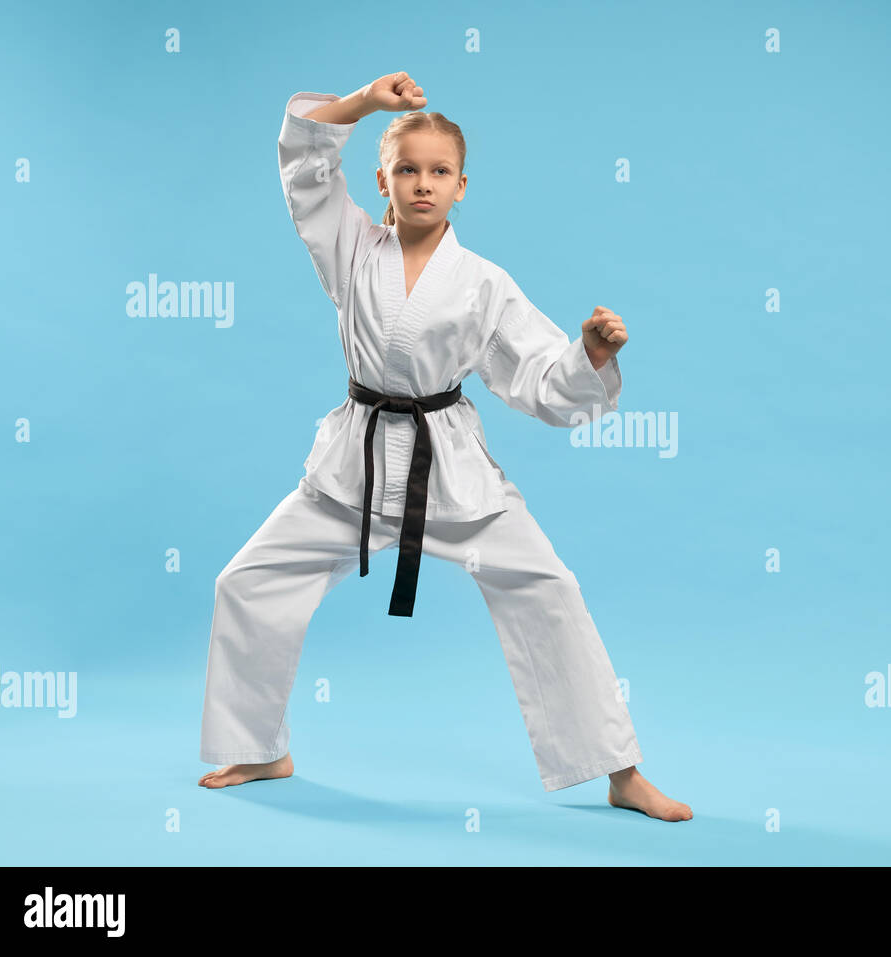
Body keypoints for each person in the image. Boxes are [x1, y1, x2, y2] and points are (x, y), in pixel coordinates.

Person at [196, 71, 691, 822]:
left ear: (463, 186)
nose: (422, 184)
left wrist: (588, 352)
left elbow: (537, 376)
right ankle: (260, 745)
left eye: (439, 172)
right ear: (382, 179)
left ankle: (621, 771)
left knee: (549, 589)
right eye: (407, 169)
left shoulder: (484, 283)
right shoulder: (349, 246)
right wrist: (363, 104)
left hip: (450, 470)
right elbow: (303, 162)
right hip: (354, 464)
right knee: (246, 580)